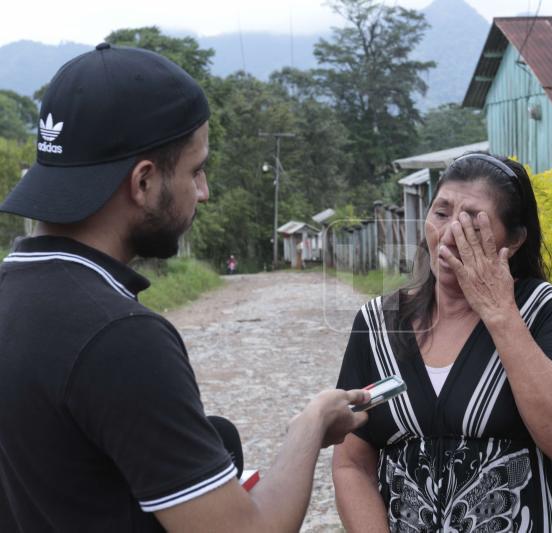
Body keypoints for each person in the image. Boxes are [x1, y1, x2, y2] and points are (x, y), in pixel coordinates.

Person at [0, 44, 368, 533]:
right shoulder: (119, 337)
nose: (204, 191)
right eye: (196, 170)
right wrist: (311, 424)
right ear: (145, 182)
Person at [332, 154, 552, 532]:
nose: (450, 234)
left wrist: (500, 313)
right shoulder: (379, 326)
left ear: (516, 239)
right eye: (441, 214)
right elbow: (351, 463)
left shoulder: (538, 310)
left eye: (473, 222)